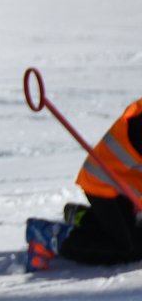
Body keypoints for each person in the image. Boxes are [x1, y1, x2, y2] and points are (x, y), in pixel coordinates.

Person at [58, 99, 142, 266]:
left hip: (125, 185)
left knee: (131, 231)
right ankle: (60, 239)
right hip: (103, 186)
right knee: (131, 248)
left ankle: (83, 217)